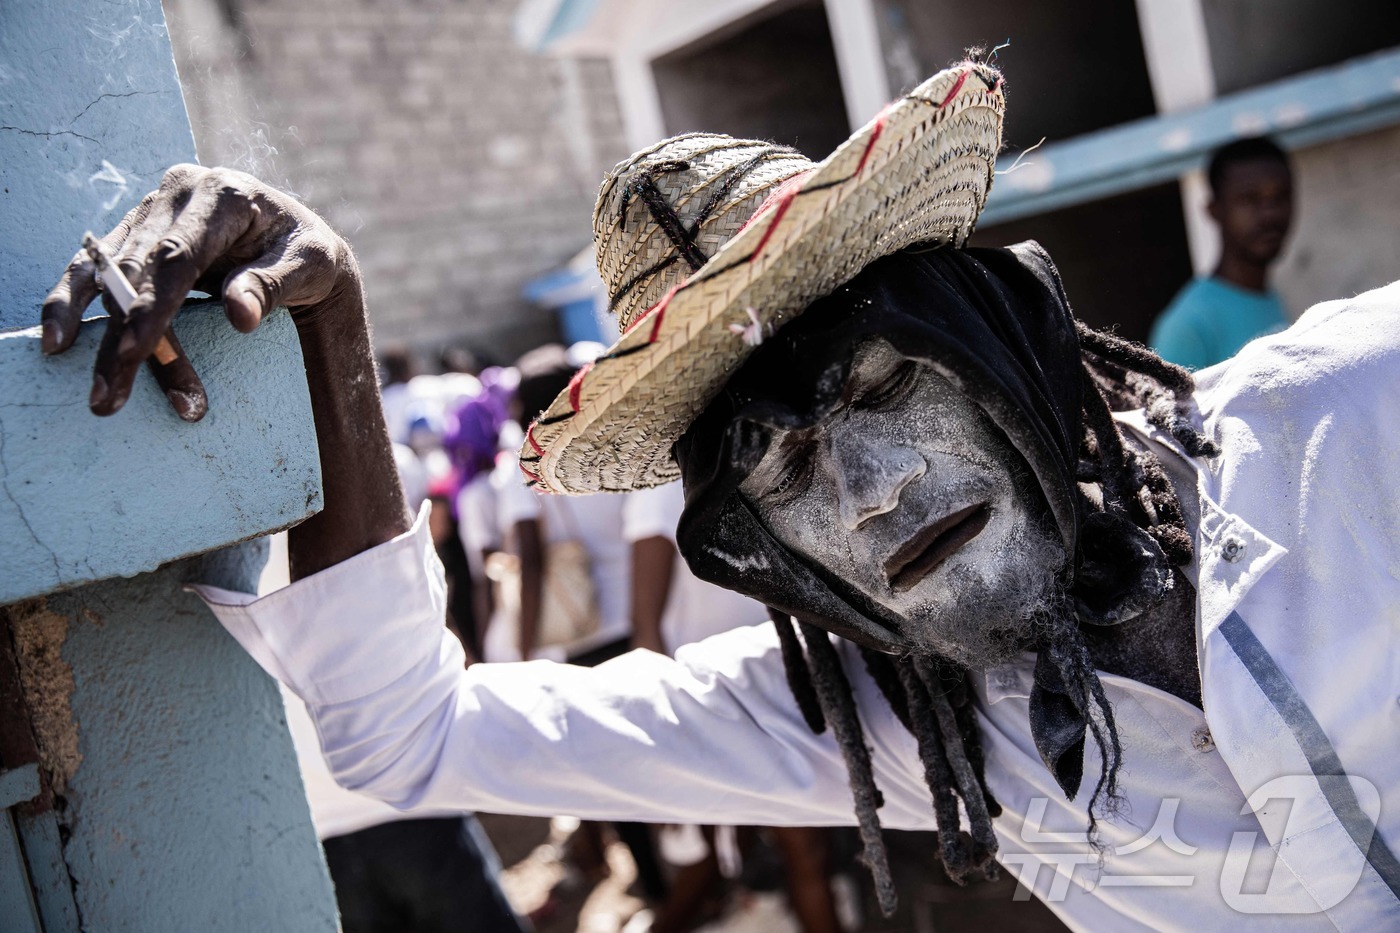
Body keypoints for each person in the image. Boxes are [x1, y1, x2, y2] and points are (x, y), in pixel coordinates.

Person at [42, 61, 1400, 930]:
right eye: (784, 468)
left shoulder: (1350, 414)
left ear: (1003, 337)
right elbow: (407, 732)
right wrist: (326, 323)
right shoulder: (883, 710)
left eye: (879, 387)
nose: (868, 498)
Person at [1149, 137, 1294, 370]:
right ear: (1214, 210)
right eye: (1250, 199)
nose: (1270, 214)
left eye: (1281, 197)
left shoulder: (1268, 295)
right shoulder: (1188, 327)